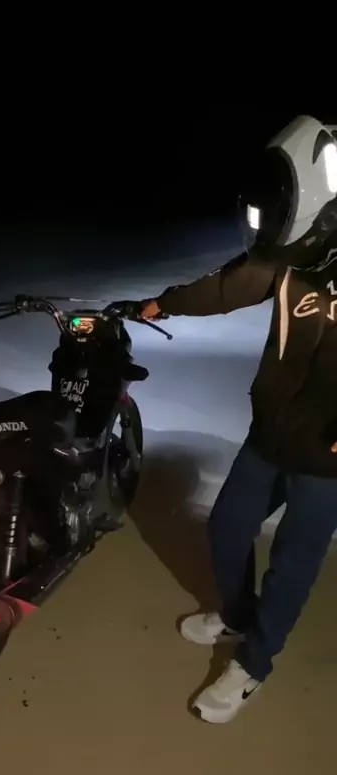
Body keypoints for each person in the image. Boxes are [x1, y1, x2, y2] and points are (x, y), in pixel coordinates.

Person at [140, 115, 337, 724]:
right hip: (272, 432)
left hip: (327, 456)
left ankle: (254, 663)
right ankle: (234, 615)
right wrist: (165, 303)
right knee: (227, 528)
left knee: (292, 565)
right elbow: (230, 285)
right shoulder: (291, 256)